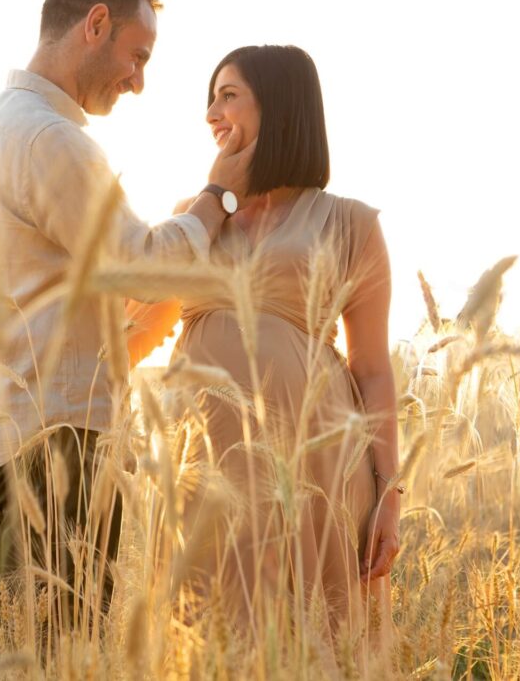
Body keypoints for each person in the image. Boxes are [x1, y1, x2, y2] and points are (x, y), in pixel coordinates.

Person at [0, 0, 254, 661]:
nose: (139, 80)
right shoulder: (48, 138)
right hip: (56, 446)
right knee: (54, 657)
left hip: (1, 440)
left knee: (5, 653)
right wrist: (217, 196)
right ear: (96, 23)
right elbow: (136, 264)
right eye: (138, 56)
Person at [128, 45, 399, 668]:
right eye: (210, 98)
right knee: (209, 633)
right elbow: (136, 325)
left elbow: (374, 369)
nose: (211, 115)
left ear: (278, 106)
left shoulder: (350, 223)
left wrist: (390, 493)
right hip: (204, 465)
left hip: (312, 461)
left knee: (309, 634)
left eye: (228, 95)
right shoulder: (191, 220)